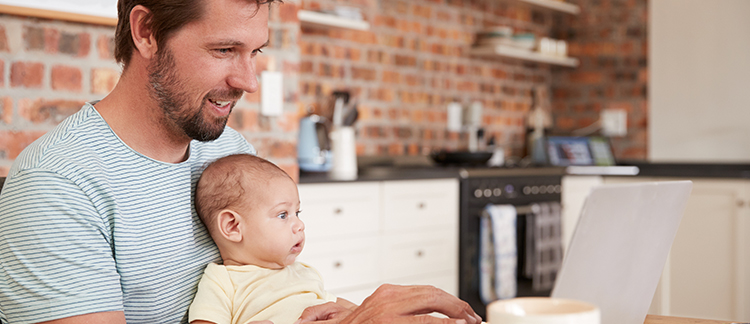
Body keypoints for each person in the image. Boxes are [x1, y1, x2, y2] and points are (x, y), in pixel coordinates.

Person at [0, 0, 482, 323]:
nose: (249, 80)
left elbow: (267, 295)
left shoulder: (230, 152)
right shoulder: (55, 185)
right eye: (224, 49)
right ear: (146, 32)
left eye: (254, 51)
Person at [188, 153, 356, 324]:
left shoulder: (304, 272)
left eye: (297, 213)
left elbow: (339, 307)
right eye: (283, 215)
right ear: (233, 226)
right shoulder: (222, 281)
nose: (300, 225)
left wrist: (362, 311)